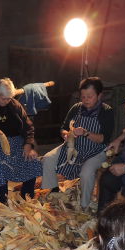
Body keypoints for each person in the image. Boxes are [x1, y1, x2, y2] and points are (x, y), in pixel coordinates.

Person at [42, 77, 114, 210]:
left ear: (99, 95)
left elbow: (104, 138)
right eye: (83, 96)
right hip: (74, 146)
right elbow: (63, 127)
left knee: (86, 173)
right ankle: (54, 191)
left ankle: (84, 205)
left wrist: (86, 133)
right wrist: (66, 134)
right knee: (47, 159)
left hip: (96, 150)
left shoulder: (106, 111)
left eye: (89, 97)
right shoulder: (76, 108)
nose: (85, 100)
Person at [0, 78, 42, 203]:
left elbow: (28, 126)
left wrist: (28, 144)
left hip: (15, 141)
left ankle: (26, 197)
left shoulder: (14, 105)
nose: (7, 101)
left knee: (32, 160)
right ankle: (2, 200)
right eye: (4, 99)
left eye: (9, 98)